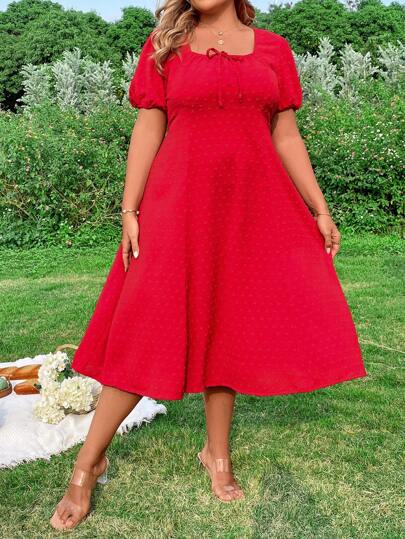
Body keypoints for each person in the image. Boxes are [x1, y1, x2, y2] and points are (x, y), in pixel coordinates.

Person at [50, 0, 368, 530]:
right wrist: (130, 210)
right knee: (146, 326)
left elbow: (286, 135)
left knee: (230, 326)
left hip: (248, 209)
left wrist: (319, 208)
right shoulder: (166, 47)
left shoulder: (274, 50)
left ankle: (216, 454)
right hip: (176, 207)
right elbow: (148, 129)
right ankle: (88, 463)